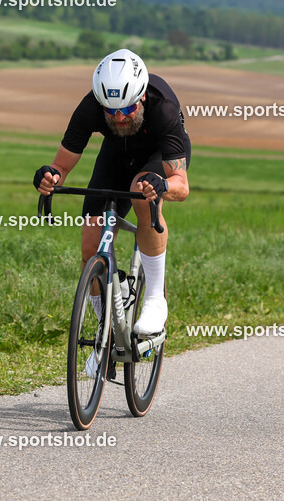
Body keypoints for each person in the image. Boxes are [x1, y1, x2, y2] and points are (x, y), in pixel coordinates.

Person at [34, 48, 190, 336]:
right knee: (90, 243)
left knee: (141, 191)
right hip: (116, 154)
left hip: (157, 157)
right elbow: (60, 166)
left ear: (142, 96)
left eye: (128, 109)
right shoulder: (90, 106)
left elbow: (182, 185)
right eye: (111, 111)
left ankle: (155, 300)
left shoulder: (164, 107)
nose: (119, 118)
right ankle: (106, 333)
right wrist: (49, 177)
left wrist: (163, 186)